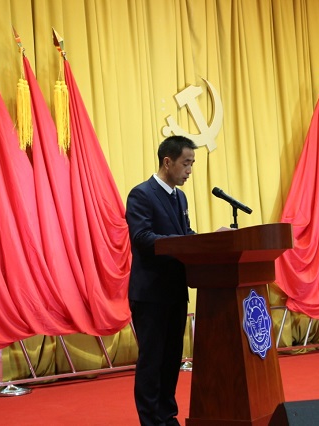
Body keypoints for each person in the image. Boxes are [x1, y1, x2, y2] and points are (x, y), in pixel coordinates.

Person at [125, 135, 197, 426]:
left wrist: (208, 241)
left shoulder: (180, 197)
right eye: (186, 163)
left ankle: (167, 417)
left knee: (171, 360)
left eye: (192, 164)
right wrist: (184, 243)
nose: (189, 170)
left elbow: (185, 234)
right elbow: (142, 238)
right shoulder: (141, 194)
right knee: (152, 361)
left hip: (176, 292)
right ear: (168, 162)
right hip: (150, 294)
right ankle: (151, 421)